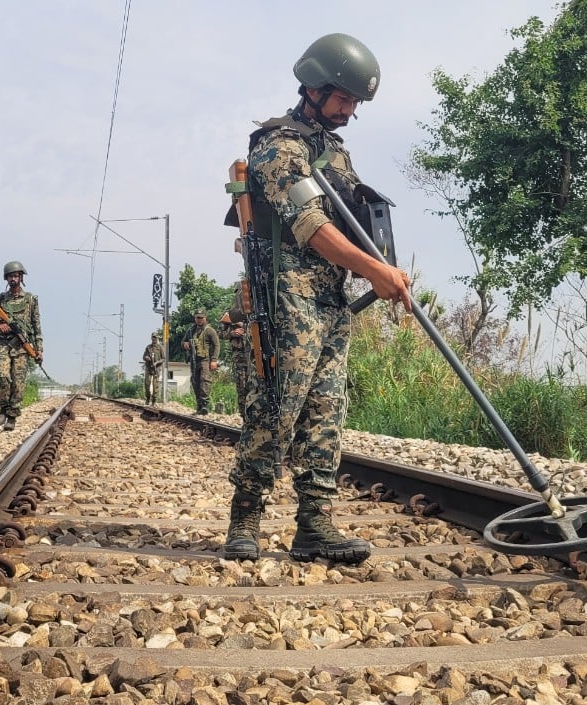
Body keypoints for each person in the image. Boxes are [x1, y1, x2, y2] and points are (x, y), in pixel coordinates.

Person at [223, 34, 412, 564]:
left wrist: (383, 265)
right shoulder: (278, 146)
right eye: (344, 99)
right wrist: (375, 270)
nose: (350, 111)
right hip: (289, 299)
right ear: (314, 87)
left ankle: (314, 528)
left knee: (326, 412)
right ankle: (246, 518)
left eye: (354, 102)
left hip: (330, 299)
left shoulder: (334, 152)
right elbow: (310, 226)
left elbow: (353, 223)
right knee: (278, 407)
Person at [0, 260, 43, 432]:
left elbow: (37, 326)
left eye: (16, 275)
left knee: (18, 382)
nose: (13, 279)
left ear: (21, 277)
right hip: (4, 344)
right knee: (3, 377)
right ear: (6, 279)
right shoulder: (0, 299)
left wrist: (39, 349)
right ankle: (3, 407)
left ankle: (12, 416)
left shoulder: (31, 300)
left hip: (21, 347)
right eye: (10, 276)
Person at [180, 309, 220, 415]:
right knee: (195, 382)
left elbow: (216, 345)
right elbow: (182, 342)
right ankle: (199, 406)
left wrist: (214, 360)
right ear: (195, 318)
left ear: (205, 318)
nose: (199, 320)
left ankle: (205, 405)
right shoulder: (190, 331)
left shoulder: (209, 330)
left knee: (205, 381)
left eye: (201, 317)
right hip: (194, 360)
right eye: (198, 317)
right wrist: (185, 344)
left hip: (205, 360)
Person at [221, 307, 253, 423]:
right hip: (239, 356)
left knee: (255, 385)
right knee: (241, 386)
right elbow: (221, 334)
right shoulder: (231, 314)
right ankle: (244, 416)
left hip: (255, 355)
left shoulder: (257, 308)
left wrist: (245, 328)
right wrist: (232, 333)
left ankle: (255, 415)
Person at [141, 332, 165, 405]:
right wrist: (146, 358)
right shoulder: (148, 347)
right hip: (149, 368)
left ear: (157, 338)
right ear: (151, 338)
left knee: (155, 386)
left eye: (155, 338)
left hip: (156, 369)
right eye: (153, 337)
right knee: (147, 384)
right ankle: (148, 398)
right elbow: (143, 357)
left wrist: (157, 363)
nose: (154, 339)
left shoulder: (160, 348)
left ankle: (154, 400)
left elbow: (163, 358)